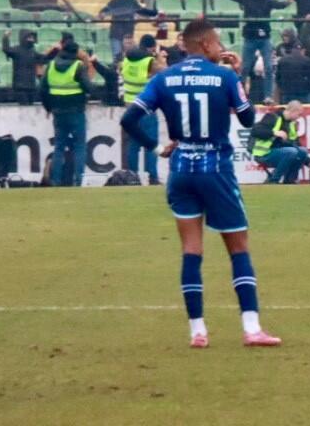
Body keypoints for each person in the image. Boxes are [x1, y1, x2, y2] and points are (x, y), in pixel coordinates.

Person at [120, 17, 281, 348]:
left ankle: (198, 331)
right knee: (238, 248)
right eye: (218, 42)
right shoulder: (223, 76)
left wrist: (156, 148)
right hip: (215, 168)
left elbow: (129, 119)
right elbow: (249, 119)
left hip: (180, 170)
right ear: (206, 44)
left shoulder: (164, 78)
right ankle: (251, 328)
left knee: (191, 251)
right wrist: (238, 75)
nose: (221, 47)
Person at [42, 36, 98, 187]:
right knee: (79, 146)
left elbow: (42, 89)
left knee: (59, 147)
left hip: (58, 112)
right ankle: (79, 179)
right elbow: (89, 87)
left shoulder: (51, 65)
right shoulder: (78, 66)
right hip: (76, 112)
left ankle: (55, 180)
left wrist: (48, 107)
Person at [119, 35, 165, 184]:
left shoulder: (126, 59)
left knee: (133, 144)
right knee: (150, 143)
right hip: (146, 108)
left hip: (129, 107)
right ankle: (152, 176)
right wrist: (158, 55)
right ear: (151, 47)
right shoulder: (149, 61)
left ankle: (133, 176)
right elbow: (165, 71)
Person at [250, 101, 310, 184]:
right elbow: (255, 131)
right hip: (264, 154)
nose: (298, 117)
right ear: (293, 111)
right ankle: (273, 181)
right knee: (291, 152)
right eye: (298, 114)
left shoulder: (291, 124)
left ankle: (290, 181)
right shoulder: (272, 117)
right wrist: (274, 133)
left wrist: (308, 161)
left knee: (303, 151)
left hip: (278, 153)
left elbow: (295, 145)